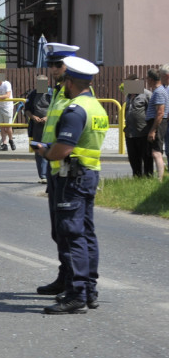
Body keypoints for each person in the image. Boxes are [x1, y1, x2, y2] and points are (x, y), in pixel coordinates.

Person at [33, 56, 108, 314]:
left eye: (65, 79)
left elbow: (64, 148)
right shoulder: (97, 106)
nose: (63, 83)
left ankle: (76, 294)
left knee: (73, 234)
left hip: (72, 177)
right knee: (87, 233)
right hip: (89, 175)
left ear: (71, 81)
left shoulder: (76, 110)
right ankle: (89, 290)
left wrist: (46, 152)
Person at [35, 42, 79, 296]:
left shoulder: (76, 95)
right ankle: (65, 276)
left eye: (57, 65)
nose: (52, 69)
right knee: (58, 229)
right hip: (54, 165)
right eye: (50, 64)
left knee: (69, 230)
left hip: (69, 167)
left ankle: (75, 282)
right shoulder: (59, 92)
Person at [24, 78, 53, 181]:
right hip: (36, 127)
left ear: (48, 83)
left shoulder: (52, 94)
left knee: (50, 149)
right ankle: (42, 176)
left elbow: (57, 109)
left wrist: (48, 118)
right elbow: (27, 109)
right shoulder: (32, 94)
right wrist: (33, 117)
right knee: (38, 150)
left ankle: (50, 174)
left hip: (50, 128)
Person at [123, 74, 152, 177]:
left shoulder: (147, 94)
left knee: (146, 157)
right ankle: (136, 177)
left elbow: (152, 112)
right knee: (133, 157)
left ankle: (148, 177)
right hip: (130, 133)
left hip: (143, 132)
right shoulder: (128, 96)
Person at [144, 68, 167, 181]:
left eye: (147, 78)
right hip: (156, 122)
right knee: (155, 151)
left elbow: (160, 112)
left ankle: (160, 178)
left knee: (156, 152)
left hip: (157, 123)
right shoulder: (159, 91)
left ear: (151, 79)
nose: (146, 81)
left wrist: (153, 130)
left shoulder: (159, 91)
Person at [0, 76, 15, 150]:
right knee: (1, 126)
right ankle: (5, 144)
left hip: (7, 107)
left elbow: (7, 95)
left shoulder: (7, 84)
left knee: (8, 127)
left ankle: (11, 140)